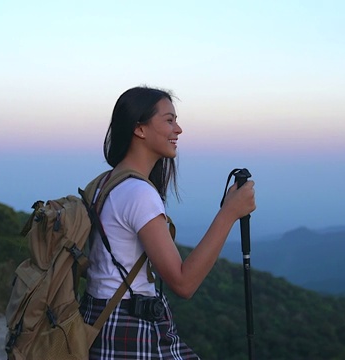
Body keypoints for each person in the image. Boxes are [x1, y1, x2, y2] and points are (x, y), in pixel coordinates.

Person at [79, 86, 256, 359]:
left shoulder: (105, 183)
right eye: (169, 120)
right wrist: (229, 213)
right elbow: (184, 283)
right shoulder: (139, 193)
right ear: (140, 129)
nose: (179, 130)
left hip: (99, 318)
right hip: (128, 327)